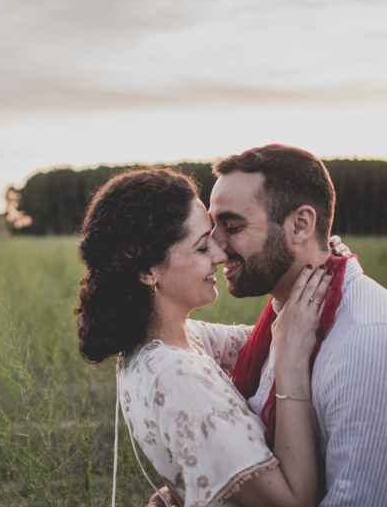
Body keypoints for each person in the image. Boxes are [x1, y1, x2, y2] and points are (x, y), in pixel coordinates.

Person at [204, 144, 387, 506]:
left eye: (231, 226)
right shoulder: (290, 317)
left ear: (300, 224)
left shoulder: (370, 342)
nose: (215, 248)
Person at [76, 167, 334, 507]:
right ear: (147, 271)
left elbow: (263, 340)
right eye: (201, 248)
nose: (220, 254)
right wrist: (291, 367)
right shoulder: (176, 374)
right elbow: (293, 502)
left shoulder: (167, 342)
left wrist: (311, 256)